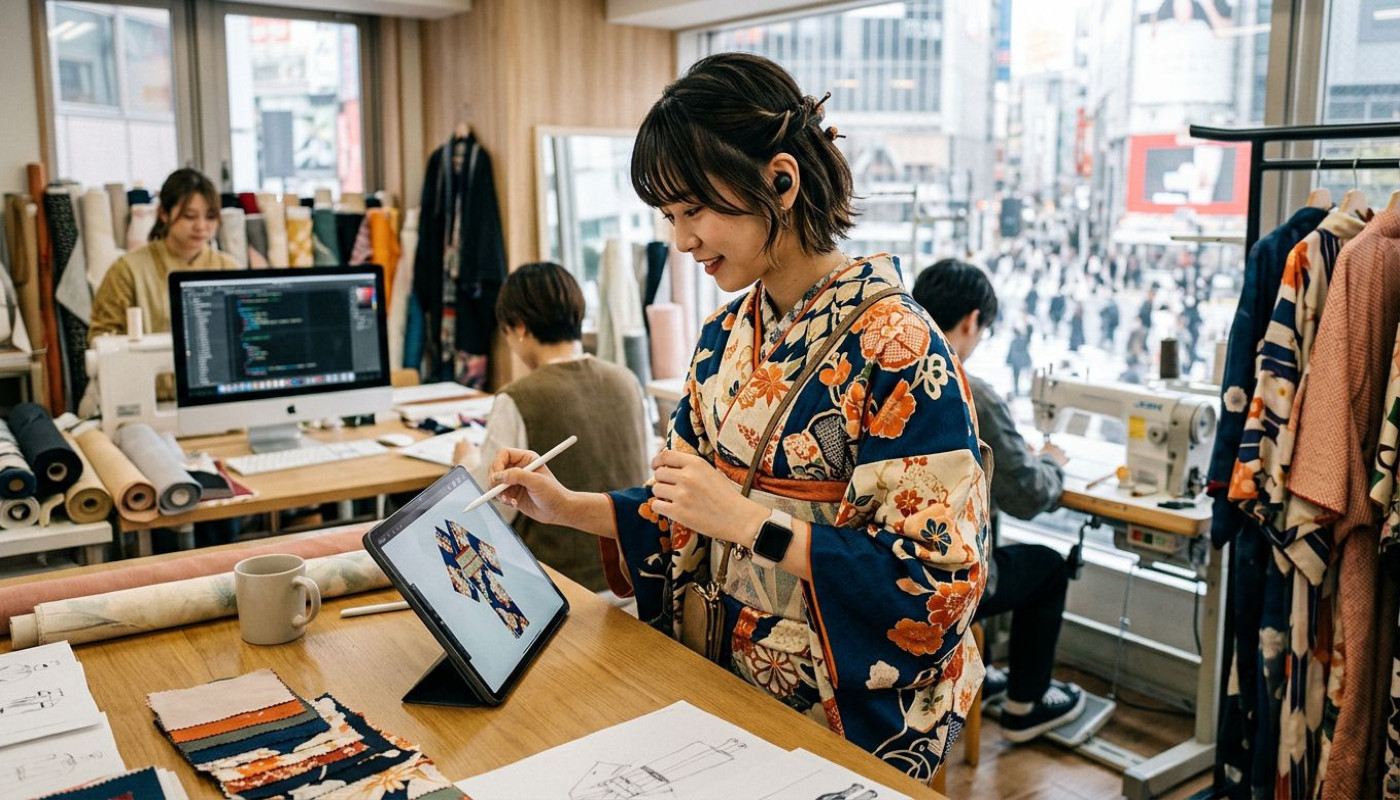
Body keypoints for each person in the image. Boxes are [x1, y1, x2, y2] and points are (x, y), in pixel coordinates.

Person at [476, 52, 990, 781]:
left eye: (694, 211)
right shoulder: (723, 337)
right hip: (717, 680)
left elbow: (937, 580)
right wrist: (566, 508)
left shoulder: (900, 345)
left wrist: (751, 524)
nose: (681, 241)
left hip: (834, 712)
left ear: (781, 180)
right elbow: (686, 508)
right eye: (669, 216)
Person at [911, 259, 1086, 743]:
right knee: (1047, 568)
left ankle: (983, 677)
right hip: (949, 584)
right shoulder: (973, 392)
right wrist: (1050, 462)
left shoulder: (895, 375)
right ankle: (1025, 705)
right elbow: (1029, 494)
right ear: (971, 321)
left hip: (898, 569)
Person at [453, 262, 651, 591]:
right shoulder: (627, 381)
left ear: (518, 327)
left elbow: (493, 508)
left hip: (559, 586)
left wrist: (464, 461)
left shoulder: (518, 397)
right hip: (631, 581)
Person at [90, 168, 237, 345]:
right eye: (189, 216)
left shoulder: (229, 269)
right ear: (163, 214)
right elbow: (102, 341)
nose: (201, 226)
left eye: (210, 217)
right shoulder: (127, 270)